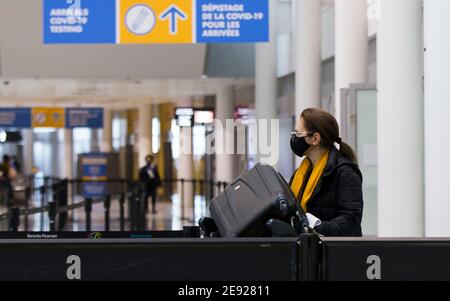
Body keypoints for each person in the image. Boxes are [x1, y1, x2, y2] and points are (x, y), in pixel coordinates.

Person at [289, 108, 363, 237]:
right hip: (307, 249)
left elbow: (350, 222)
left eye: (297, 133)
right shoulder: (300, 173)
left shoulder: (344, 172)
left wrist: (313, 226)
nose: (294, 137)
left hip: (335, 253)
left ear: (315, 139)